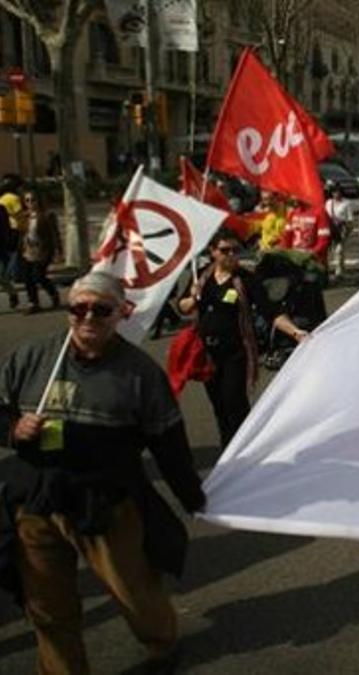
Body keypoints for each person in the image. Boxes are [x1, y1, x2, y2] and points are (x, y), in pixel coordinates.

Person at [0, 272, 206, 673]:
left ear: (120, 314)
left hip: (106, 502)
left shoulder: (140, 373)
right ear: (68, 312)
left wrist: (193, 496)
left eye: (101, 309)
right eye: (79, 308)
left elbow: (168, 441)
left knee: (133, 591)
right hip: (36, 500)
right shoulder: (33, 357)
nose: (88, 318)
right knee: (47, 604)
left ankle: (162, 646)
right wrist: (13, 429)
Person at [178, 229, 308, 448]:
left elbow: (271, 311)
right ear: (212, 252)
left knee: (234, 406)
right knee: (218, 407)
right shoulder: (201, 275)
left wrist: (296, 332)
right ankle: (226, 452)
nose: (230, 255)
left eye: (235, 250)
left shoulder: (246, 279)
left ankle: (242, 452)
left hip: (235, 353)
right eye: (224, 250)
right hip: (207, 354)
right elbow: (182, 307)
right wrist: (192, 297)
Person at [16, 191, 61, 314]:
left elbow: (54, 234)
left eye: (33, 200)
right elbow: (21, 233)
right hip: (27, 250)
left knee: (38, 276)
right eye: (27, 200)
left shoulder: (47, 215)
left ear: (39, 201)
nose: (31, 203)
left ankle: (53, 293)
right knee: (27, 278)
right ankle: (33, 303)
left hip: (43, 250)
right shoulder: (24, 216)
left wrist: (58, 251)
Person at [0, 201, 16, 309]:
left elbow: (5, 228)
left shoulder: (1, 209)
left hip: (0, 247)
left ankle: (12, 293)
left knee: (0, 276)